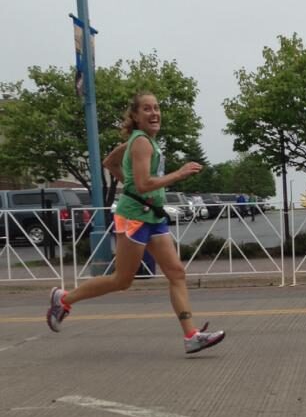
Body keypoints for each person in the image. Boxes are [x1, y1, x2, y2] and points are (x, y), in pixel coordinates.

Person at [46, 91, 225, 355]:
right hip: (135, 218)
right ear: (136, 116)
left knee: (176, 272)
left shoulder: (140, 140)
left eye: (157, 108)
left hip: (152, 215)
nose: (154, 113)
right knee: (122, 280)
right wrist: (179, 173)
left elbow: (111, 163)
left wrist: (129, 184)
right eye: (147, 109)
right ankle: (64, 300)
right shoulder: (141, 142)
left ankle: (191, 336)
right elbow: (143, 184)